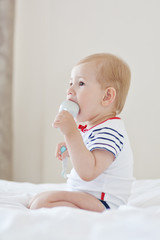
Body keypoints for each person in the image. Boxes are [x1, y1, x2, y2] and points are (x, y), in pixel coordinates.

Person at [29, 53, 134, 212]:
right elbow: (89, 153)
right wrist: (70, 145)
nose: (70, 90)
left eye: (81, 83)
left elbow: (88, 171)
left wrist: (71, 134)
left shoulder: (110, 131)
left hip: (103, 203)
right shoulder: (98, 128)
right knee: (36, 199)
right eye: (70, 83)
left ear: (107, 96)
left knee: (41, 203)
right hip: (90, 196)